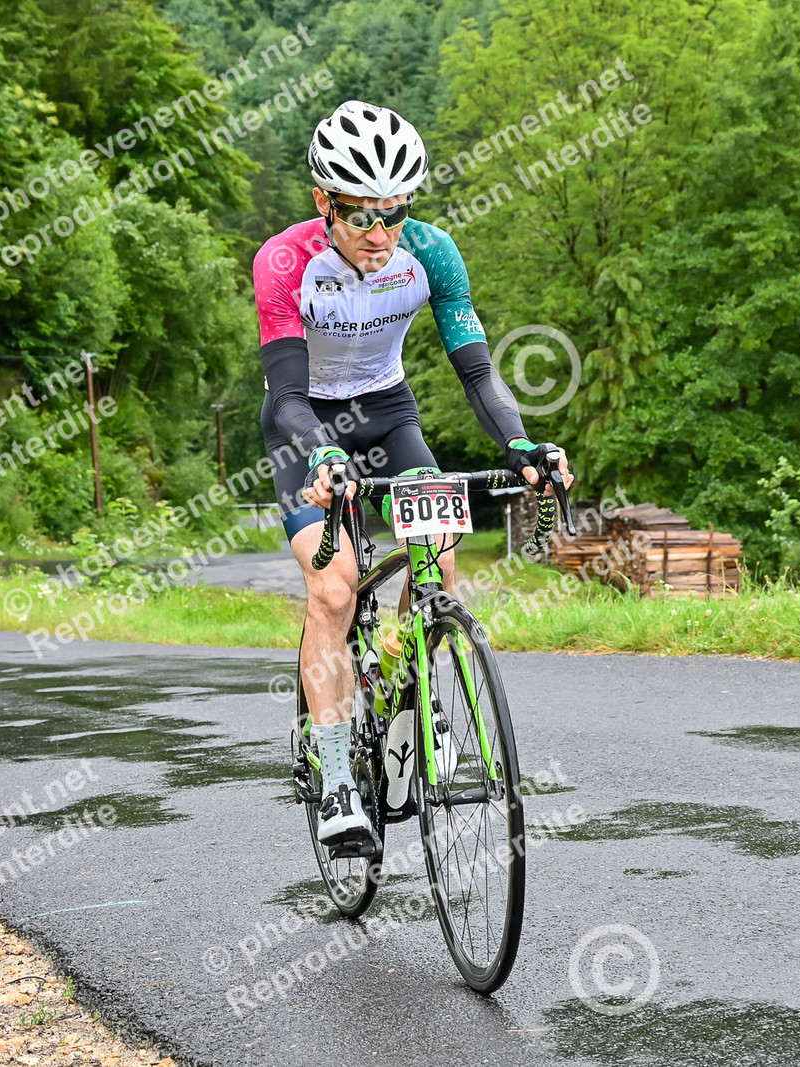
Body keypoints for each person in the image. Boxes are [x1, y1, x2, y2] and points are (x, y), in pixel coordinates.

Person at [253, 100, 572, 849]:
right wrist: (322, 453)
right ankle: (336, 778)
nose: (380, 234)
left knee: (441, 559)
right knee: (335, 589)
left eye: (394, 213)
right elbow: (287, 394)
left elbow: (478, 373)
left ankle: (406, 694)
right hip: (306, 425)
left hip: (390, 416)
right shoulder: (285, 261)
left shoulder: (432, 252)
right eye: (360, 215)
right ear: (323, 201)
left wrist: (521, 443)